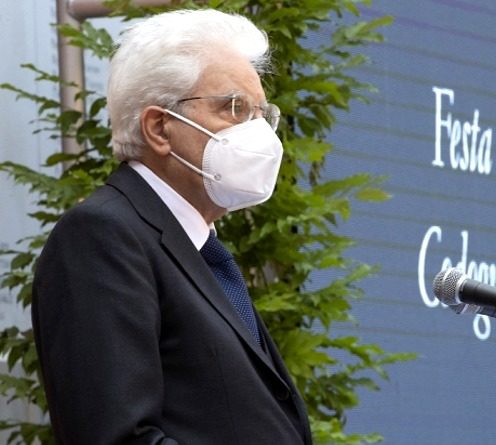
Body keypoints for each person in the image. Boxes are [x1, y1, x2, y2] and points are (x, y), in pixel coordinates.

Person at [32, 9, 312, 444]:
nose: (260, 135)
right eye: (235, 108)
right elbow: (118, 437)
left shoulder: (199, 249)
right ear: (160, 128)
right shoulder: (103, 237)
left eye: (262, 114)